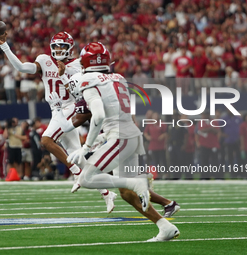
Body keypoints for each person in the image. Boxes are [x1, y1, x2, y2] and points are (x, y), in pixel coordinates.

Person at [58, 42, 179, 241]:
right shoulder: (118, 78)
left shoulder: (88, 79)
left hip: (120, 137)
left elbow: (97, 116)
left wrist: (87, 147)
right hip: (129, 134)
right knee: (127, 194)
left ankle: (138, 183)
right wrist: (102, 138)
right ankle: (164, 226)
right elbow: (119, 113)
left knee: (86, 178)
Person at [0, 31, 113, 201]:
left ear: (69, 47)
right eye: (56, 46)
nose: (58, 49)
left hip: (71, 107)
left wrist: (66, 74)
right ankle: (107, 193)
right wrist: (4, 46)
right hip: (56, 110)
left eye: (62, 46)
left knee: (46, 140)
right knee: (76, 155)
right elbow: (21, 67)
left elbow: (80, 91)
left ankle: (76, 173)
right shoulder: (44, 60)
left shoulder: (79, 65)